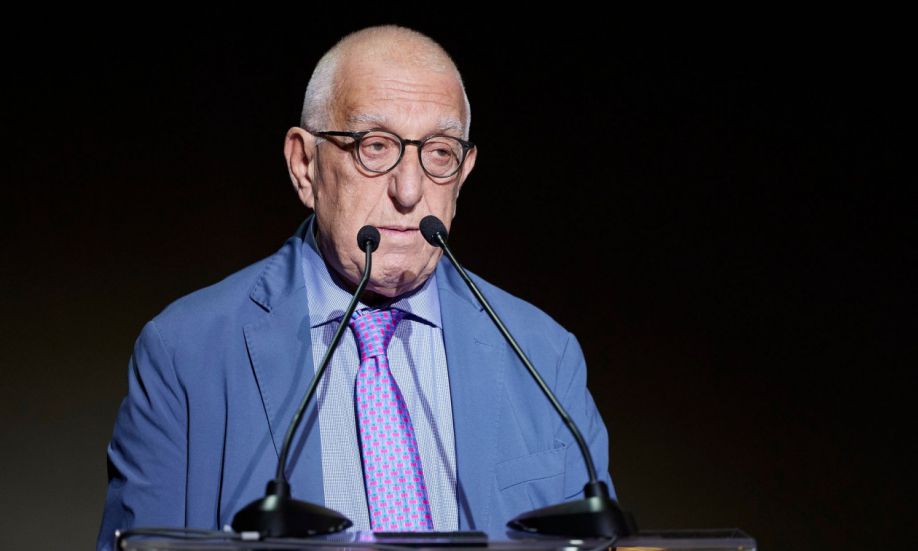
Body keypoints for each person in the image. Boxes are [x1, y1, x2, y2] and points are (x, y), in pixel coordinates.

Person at [98, 25, 615, 550]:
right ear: (305, 165)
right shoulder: (186, 353)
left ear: (463, 174)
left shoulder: (544, 355)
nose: (409, 190)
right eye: (376, 146)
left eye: (439, 153)